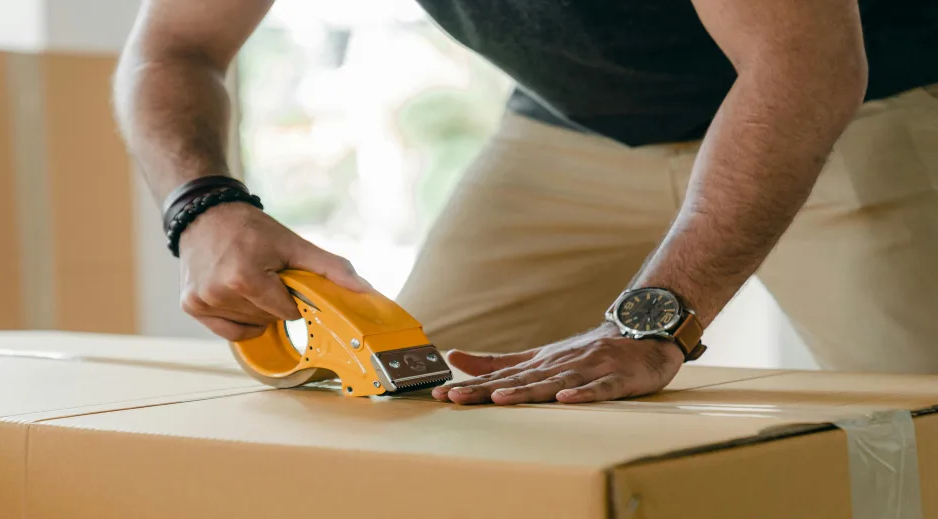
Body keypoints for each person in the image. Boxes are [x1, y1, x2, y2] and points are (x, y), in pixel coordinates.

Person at [112, 0, 938, 405]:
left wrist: (655, 326)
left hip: (850, 117)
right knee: (413, 403)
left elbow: (806, 66)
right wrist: (202, 205)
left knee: (923, 425)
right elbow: (173, 45)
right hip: (570, 132)